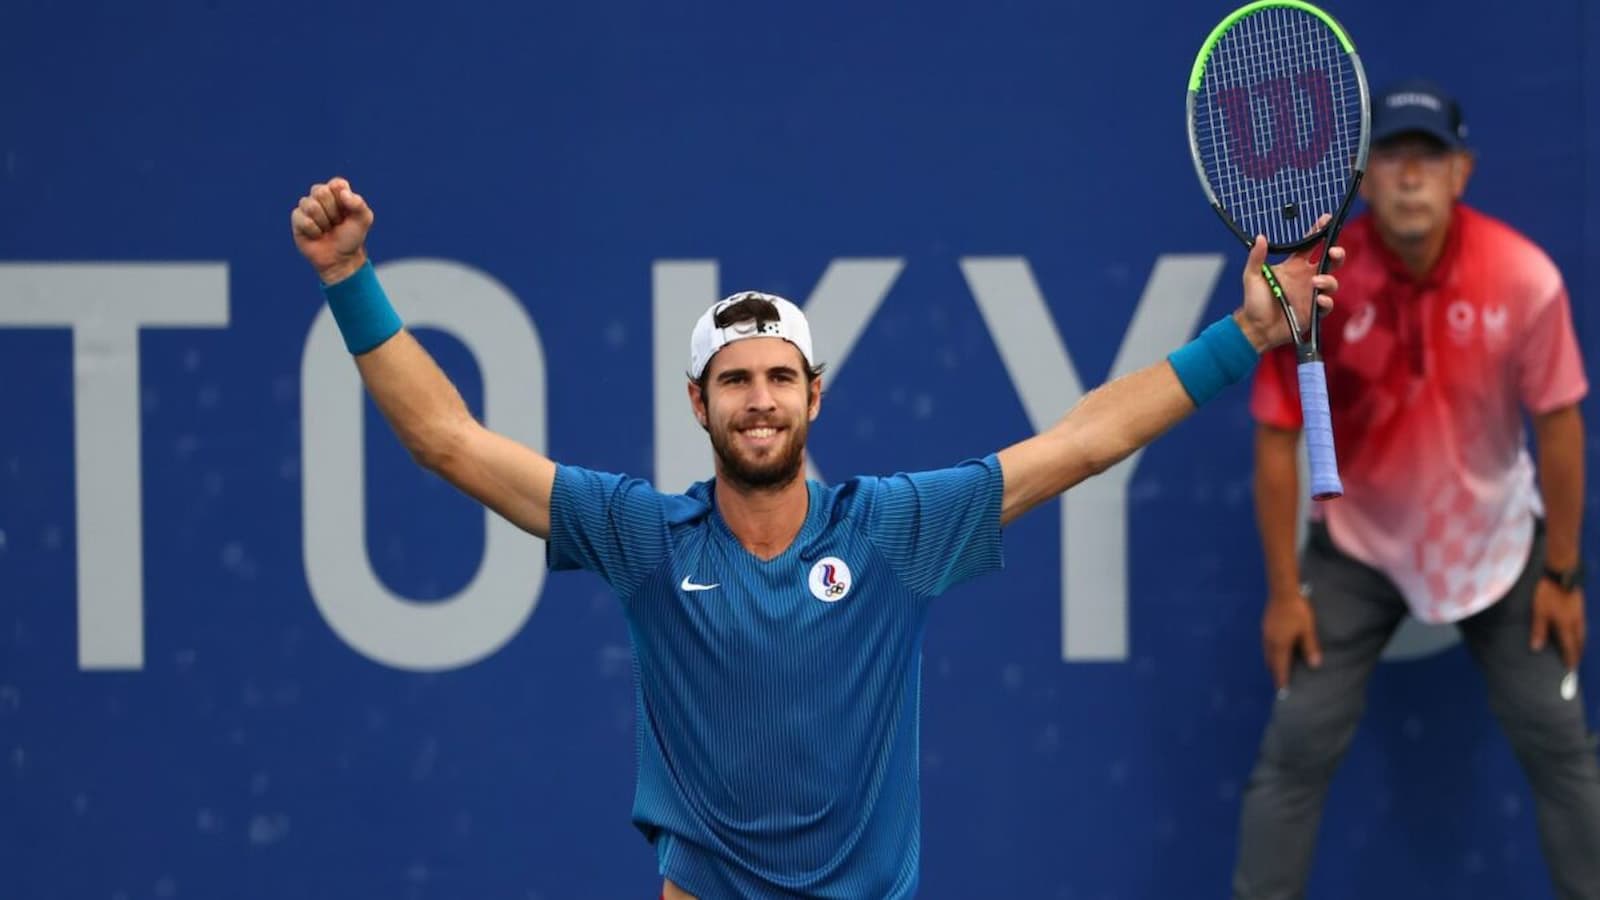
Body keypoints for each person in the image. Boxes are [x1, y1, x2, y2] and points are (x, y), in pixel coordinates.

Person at [291, 177, 1340, 900]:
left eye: (778, 378)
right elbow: (446, 440)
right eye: (736, 382)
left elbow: (1079, 442)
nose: (759, 402)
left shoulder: (893, 531)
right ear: (696, 404)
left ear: (814, 396)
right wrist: (350, 279)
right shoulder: (643, 538)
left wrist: (1241, 334)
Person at [1232, 79, 1598, 900]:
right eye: (1391, 156)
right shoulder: (1318, 287)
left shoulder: (1524, 278)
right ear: (1362, 180)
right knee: (1296, 747)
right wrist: (1286, 591)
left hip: (1501, 550)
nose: (1407, 176)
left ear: (1461, 171)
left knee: (1561, 747)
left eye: (1428, 158)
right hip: (1356, 554)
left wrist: (1563, 573)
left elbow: (1562, 428)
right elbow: (1276, 441)